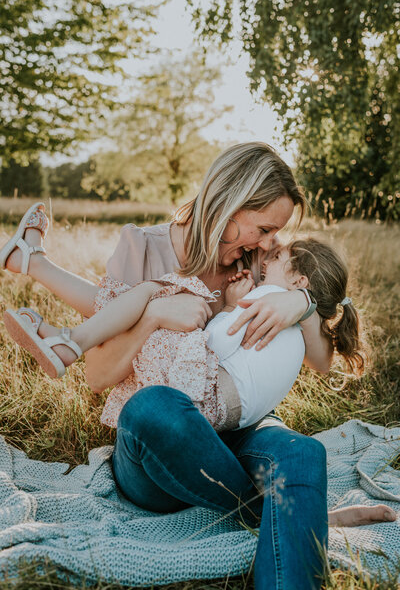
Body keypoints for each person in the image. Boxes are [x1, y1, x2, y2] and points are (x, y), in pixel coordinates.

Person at [1, 143, 396, 589]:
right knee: (153, 408)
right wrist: (152, 316)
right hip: (163, 442)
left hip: (237, 426)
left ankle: (288, 526)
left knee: (305, 452)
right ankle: (293, 514)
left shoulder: (259, 258)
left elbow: (322, 361)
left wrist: (301, 304)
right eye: (265, 228)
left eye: (276, 233)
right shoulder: (142, 247)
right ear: (231, 204)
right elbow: (97, 376)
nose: (271, 243)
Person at [5, 238, 363, 435]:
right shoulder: (299, 324)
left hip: (204, 398)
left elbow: (218, 344)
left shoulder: (271, 300)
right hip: (218, 411)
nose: (267, 255)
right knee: (151, 303)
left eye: (280, 255)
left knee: (163, 291)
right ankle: (59, 325)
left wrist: (225, 309)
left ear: (300, 280)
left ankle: (66, 334)